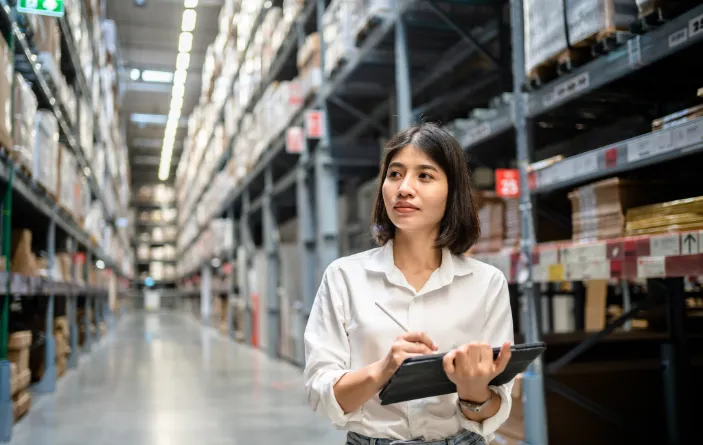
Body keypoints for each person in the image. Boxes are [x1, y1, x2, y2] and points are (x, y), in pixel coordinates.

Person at [303, 122, 515, 445]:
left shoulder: (486, 284)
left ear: (452, 191)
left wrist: (474, 392)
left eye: (424, 176)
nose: (404, 188)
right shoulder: (344, 278)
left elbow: (496, 406)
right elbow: (321, 393)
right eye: (395, 174)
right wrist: (383, 370)